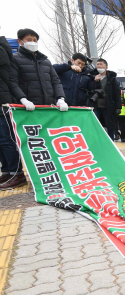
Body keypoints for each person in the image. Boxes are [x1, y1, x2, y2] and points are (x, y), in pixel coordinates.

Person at [9, 28, 68, 111]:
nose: (32, 42)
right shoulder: (14, 59)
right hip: (27, 108)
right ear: (20, 41)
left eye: (35, 40)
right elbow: (12, 82)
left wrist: (60, 98)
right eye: (29, 40)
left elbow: (56, 81)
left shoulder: (45, 61)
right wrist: (23, 99)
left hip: (48, 106)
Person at [0, 32, 26, 189]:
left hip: (3, 100)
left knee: (6, 139)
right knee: (0, 141)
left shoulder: (3, 47)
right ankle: (7, 171)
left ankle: (17, 173)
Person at [87, 58, 121, 140]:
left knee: (110, 126)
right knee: (94, 125)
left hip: (108, 107)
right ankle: (95, 142)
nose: (99, 66)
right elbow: (88, 90)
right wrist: (95, 81)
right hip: (95, 106)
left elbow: (117, 93)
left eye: (101, 64)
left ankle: (111, 142)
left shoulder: (112, 79)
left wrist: (118, 107)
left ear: (106, 67)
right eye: (98, 64)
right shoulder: (91, 77)